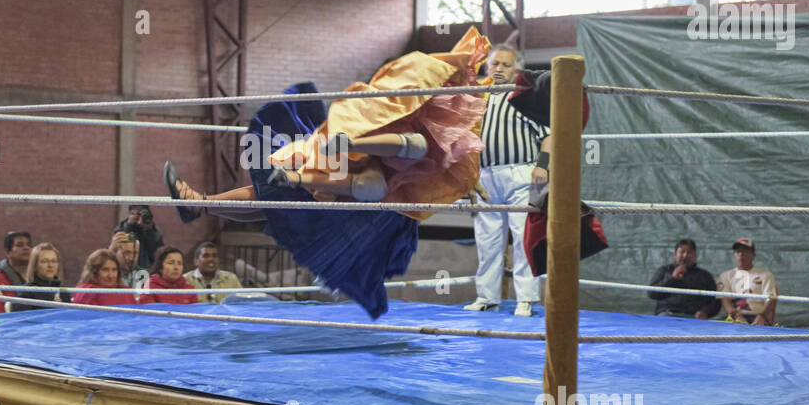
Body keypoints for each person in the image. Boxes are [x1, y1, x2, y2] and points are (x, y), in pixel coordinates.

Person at [164, 28, 491, 318]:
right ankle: (202, 203)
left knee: (371, 180)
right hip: (344, 157)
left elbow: (441, 157)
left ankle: (205, 203)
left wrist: (467, 182)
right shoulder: (377, 101)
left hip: (367, 186)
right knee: (276, 195)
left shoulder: (430, 125)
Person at [463, 44, 559, 316]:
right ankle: (487, 297)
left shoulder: (526, 98)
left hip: (522, 173)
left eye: (506, 65)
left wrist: (542, 166)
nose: (500, 69)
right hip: (485, 176)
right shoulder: (476, 100)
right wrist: (468, 175)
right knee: (487, 240)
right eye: (495, 64)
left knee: (523, 236)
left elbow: (548, 135)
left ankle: (526, 299)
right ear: (487, 67)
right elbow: (464, 140)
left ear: (516, 69)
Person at [648, 239, 719, 319]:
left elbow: (716, 300)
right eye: (682, 252)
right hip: (668, 313)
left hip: (694, 316)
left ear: (695, 256)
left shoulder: (705, 276)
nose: (685, 255)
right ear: (675, 255)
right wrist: (672, 278)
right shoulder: (664, 271)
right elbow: (652, 293)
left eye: (689, 252)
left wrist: (705, 312)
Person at [717, 238, 779, 325]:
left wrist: (762, 316)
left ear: (753, 255)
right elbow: (725, 300)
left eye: (745, 251)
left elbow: (771, 299)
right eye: (738, 252)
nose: (741, 254)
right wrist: (736, 316)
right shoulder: (725, 276)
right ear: (734, 255)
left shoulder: (766, 275)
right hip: (735, 316)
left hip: (758, 315)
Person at [0, 230, 32, 315]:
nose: (26, 248)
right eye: (20, 245)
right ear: (8, 252)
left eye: (29, 245)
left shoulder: (40, 276)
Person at [8, 242, 65, 312]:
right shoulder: (25, 292)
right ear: (34, 266)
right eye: (44, 261)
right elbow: (20, 317)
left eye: (54, 261)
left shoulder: (63, 292)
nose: (50, 265)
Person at [72, 249, 138, 306]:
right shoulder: (86, 291)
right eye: (105, 270)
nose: (110, 275)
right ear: (94, 272)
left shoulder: (126, 292)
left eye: (114, 270)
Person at [117, 206, 163, 271]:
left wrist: (147, 229)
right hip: (127, 269)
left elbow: (156, 253)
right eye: (135, 214)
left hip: (147, 269)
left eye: (141, 214)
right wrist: (130, 225)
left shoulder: (153, 230)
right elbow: (118, 248)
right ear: (130, 214)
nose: (138, 217)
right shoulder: (122, 227)